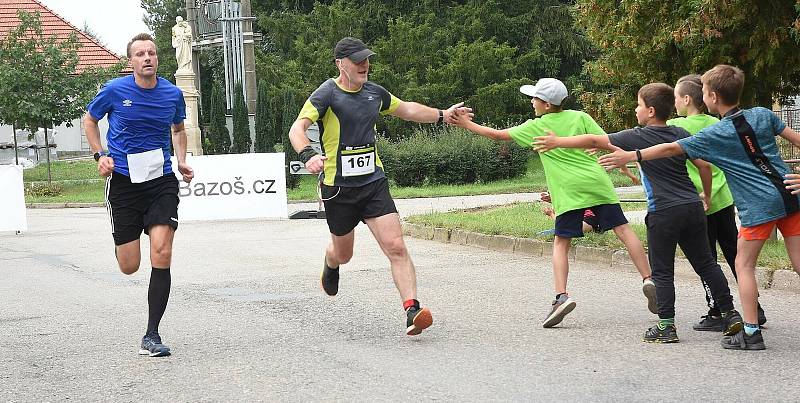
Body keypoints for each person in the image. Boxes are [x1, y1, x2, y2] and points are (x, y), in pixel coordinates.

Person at [597, 65, 800, 350]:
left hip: (758, 207)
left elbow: (670, 149)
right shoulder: (763, 115)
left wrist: (633, 155)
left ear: (713, 97)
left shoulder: (717, 134)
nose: (701, 94)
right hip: (790, 196)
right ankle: (739, 320)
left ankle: (752, 333)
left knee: (743, 265)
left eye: (703, 90)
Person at [533, 82, 744, 343]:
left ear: (651, 111)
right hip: (692, 206)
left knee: (662, 270)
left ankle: (666, 326)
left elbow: (594, 140)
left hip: (664, 212)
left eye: (639, 105)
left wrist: (557, 141)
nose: (636, 109)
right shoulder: (679, 132)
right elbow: (704, 166)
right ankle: (731, 314)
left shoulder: (637, 136)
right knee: (706, 264)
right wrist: (707, 197)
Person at [288, 37, 470, 336]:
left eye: (366, 59)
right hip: (339, 189)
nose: (364, 65)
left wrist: (442, 115)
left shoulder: (375, 93)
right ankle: (331, 260)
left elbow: (408, 110)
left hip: (373, 182)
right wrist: (308, 154)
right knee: (344, 253)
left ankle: (412, 309)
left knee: (396, 246)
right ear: (340, 64)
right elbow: (298, 127)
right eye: (357, 60)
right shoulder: (327, 93)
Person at [450, 78, 657, 328]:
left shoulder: (536, 126)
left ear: (546, 105)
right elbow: (606, 141)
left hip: (569, 191)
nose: (531, 102)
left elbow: (496, 135)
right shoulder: (580, 117)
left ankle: (561, 297)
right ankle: (648, 278)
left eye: (535, 98)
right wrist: (623, 165)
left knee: (561, 243)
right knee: (623, 230)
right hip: (596, 182)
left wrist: (465, 123)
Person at [84, 33, 194, 357]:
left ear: (158, 59)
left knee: (162, 252)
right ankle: (123, 243)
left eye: (152, 53)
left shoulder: (172, 94)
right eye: (140, 54)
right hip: (123, 182)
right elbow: (90, 120)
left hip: (160, 180)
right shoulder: (115, 90)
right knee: (130, 265)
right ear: (131, 61)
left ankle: (152, 334)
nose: (147, 57)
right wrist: (99, 154)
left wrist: (182, 160)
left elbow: (178, 130)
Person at [668, 74, 767, 330]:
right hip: (724, 198)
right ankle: (755, 308)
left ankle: (717, 310)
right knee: (736, 255)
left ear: (687, 99)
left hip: (699, 201)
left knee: (706, 258)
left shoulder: (674, 128)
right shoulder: (717, 122)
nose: (674, 103)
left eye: (676, 98)